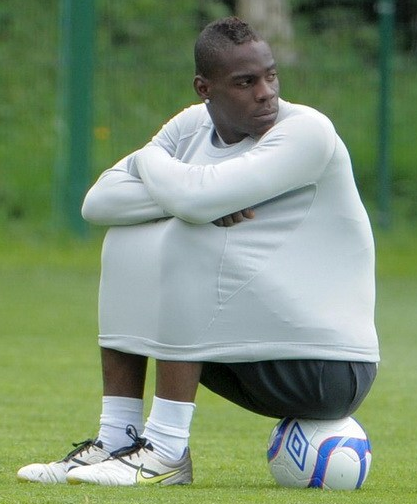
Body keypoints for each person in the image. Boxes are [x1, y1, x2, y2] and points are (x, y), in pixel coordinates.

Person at [17, 16, 379, 487]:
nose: (266, 93)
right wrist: (190, 196)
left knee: (190, 232)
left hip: (328, 365)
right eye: (245, 82)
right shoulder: (190, 126)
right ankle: (118, 438)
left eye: (271, 76)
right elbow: (99, 202)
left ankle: (166, 451)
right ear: (204, 89)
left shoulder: (308, 132)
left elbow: (194, 201)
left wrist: (160, 172)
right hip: (247, 343)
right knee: (127, 239)